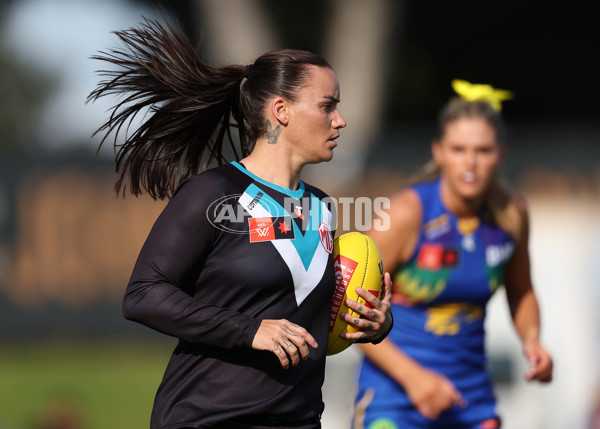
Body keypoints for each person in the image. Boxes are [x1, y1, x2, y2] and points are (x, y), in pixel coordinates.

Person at [87, 17, 393, 429]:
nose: (340, 120)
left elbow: (306, 321)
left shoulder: (321, 208)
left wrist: (375, 325)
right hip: (208, 417)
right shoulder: (211, 193)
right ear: (281, 111)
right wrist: (248, 330)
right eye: (327, 106)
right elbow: (143, 294)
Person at [352, 81, 553, 429]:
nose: (470, 162)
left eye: (483, 150)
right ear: (439, 151)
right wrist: (415, 380)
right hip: (394, 399)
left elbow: (521, 290)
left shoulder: (512, 212)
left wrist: (533, 340)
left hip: (471, 402)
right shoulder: (406, 213)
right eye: (458, 149)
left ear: (502, 153)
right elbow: (348, 313)